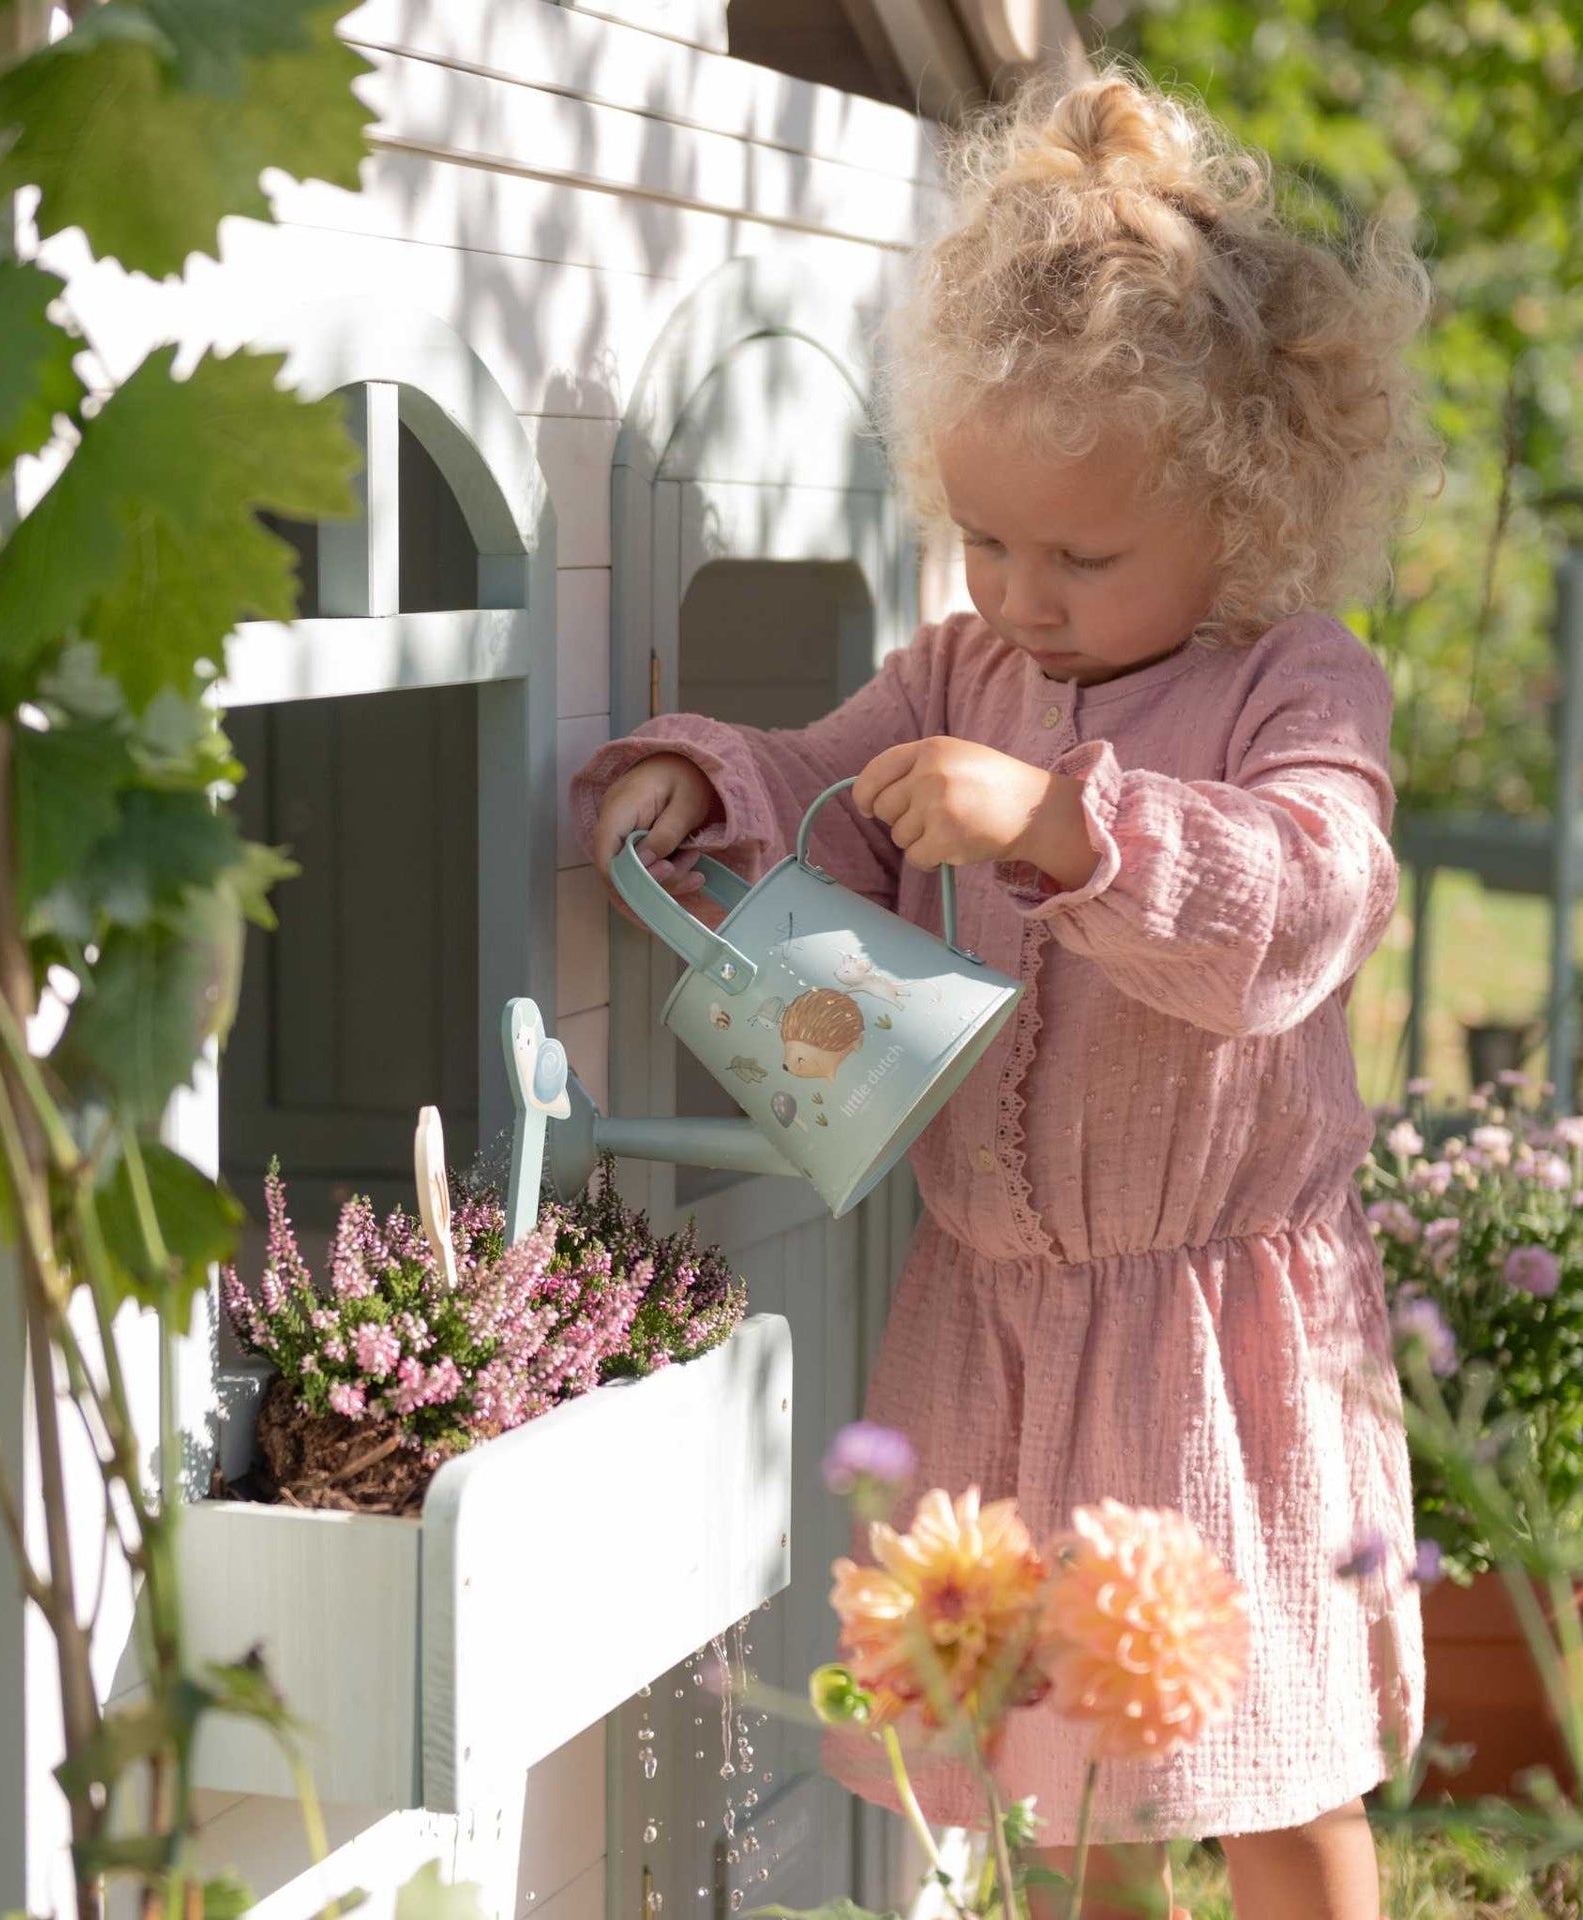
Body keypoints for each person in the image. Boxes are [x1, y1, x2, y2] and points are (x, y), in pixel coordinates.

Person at [573, 64, 1436, 1920]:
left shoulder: (1298, 684)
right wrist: (710, 778)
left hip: (1219, 1330)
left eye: (1083, 554)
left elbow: (1309, 902)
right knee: (1057, 1780)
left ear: (1253, 504)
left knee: (1270, 1760)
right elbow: (836, 793)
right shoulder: (965, 672)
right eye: (987, 538)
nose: (1023, 595)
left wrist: (1062, 825)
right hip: (1008, 1312)